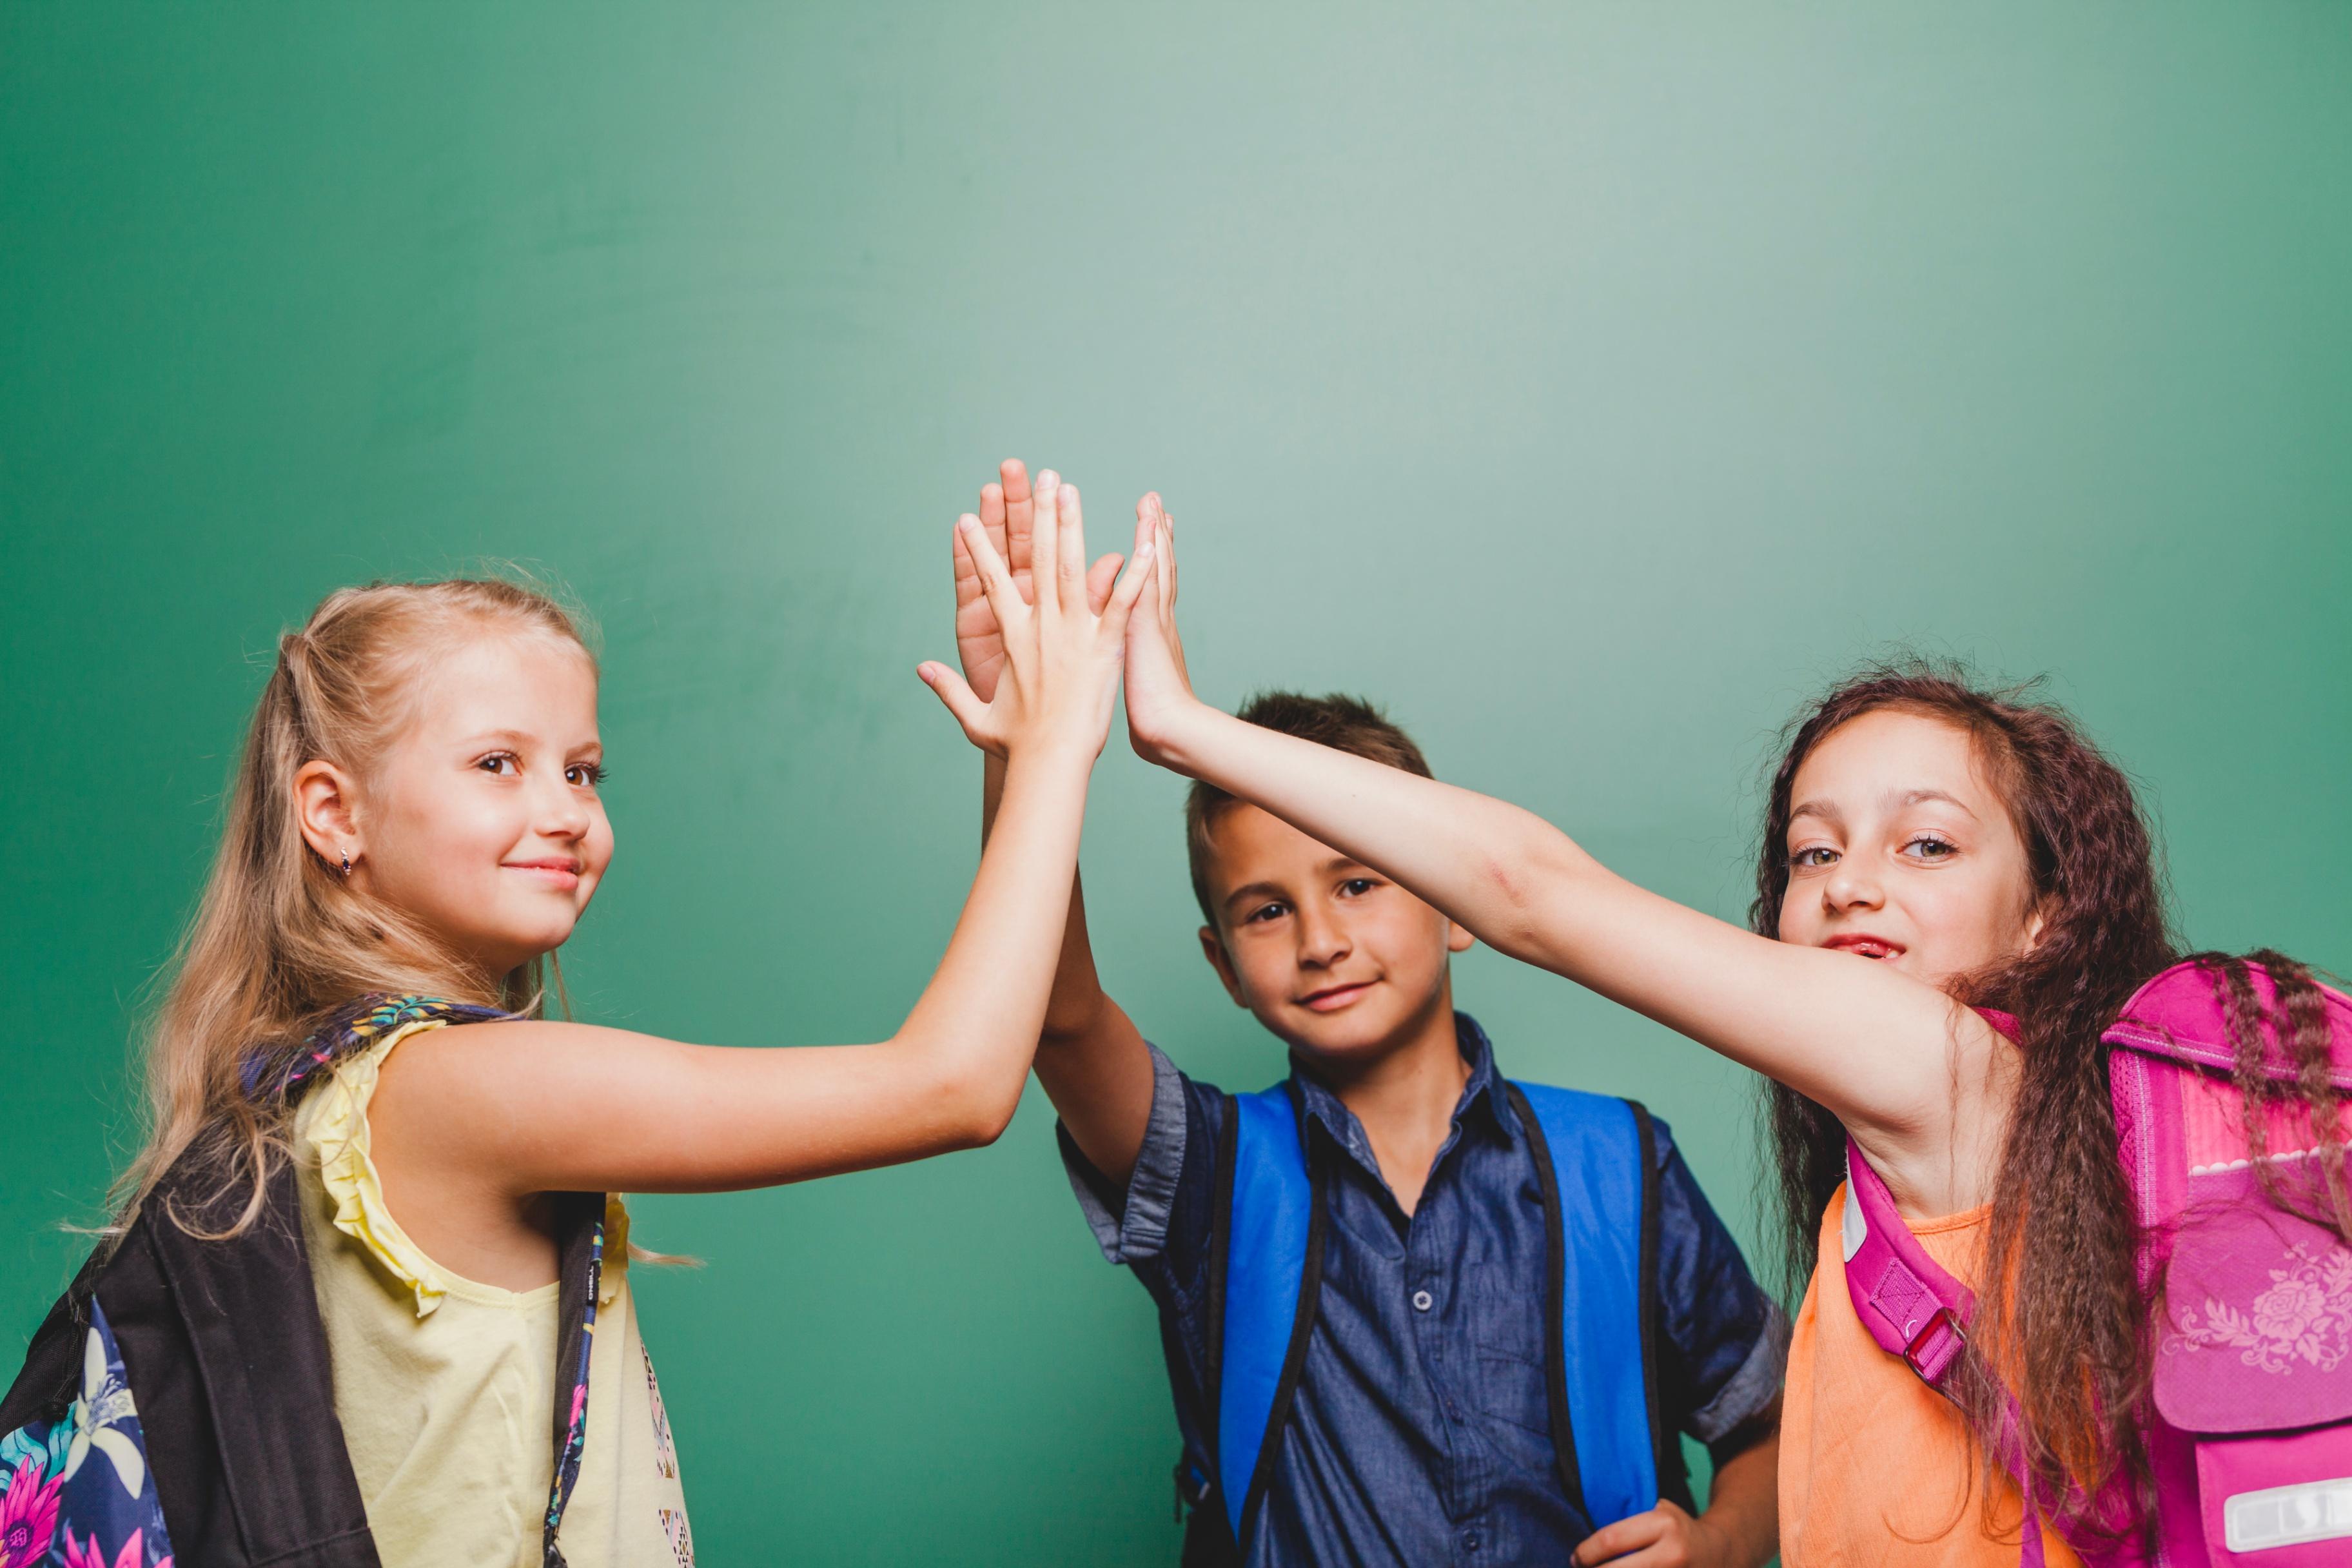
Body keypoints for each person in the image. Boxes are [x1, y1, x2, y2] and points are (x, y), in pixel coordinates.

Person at [1106, 501, 2350, 1565]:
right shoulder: (1912, 1178)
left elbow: (1534, 893)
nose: (1854, 883)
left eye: (1926, 843)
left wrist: (1182, 727)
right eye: (1816, 850)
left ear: (2047, 921)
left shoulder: (1961, 1082)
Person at [2, 498, 1150, 1568]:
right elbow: (952, 1087)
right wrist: (1049, 750)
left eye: (583, 769)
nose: (565, 811)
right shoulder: (457, 1088)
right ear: (333, 814)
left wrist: (1013, 756)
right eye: (498, 764)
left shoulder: (334, 1083)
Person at [946, 462, 1785, 1568]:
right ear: (1223, 967)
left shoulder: (1620, 1165)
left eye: (1359, 882)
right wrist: (1028, 749)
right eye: (1265, 910)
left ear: (1458, 907)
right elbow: (1053, 1018)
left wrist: (1723, 1544)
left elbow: (1769, 1419)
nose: (1321, 939)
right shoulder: (1208, 1169)